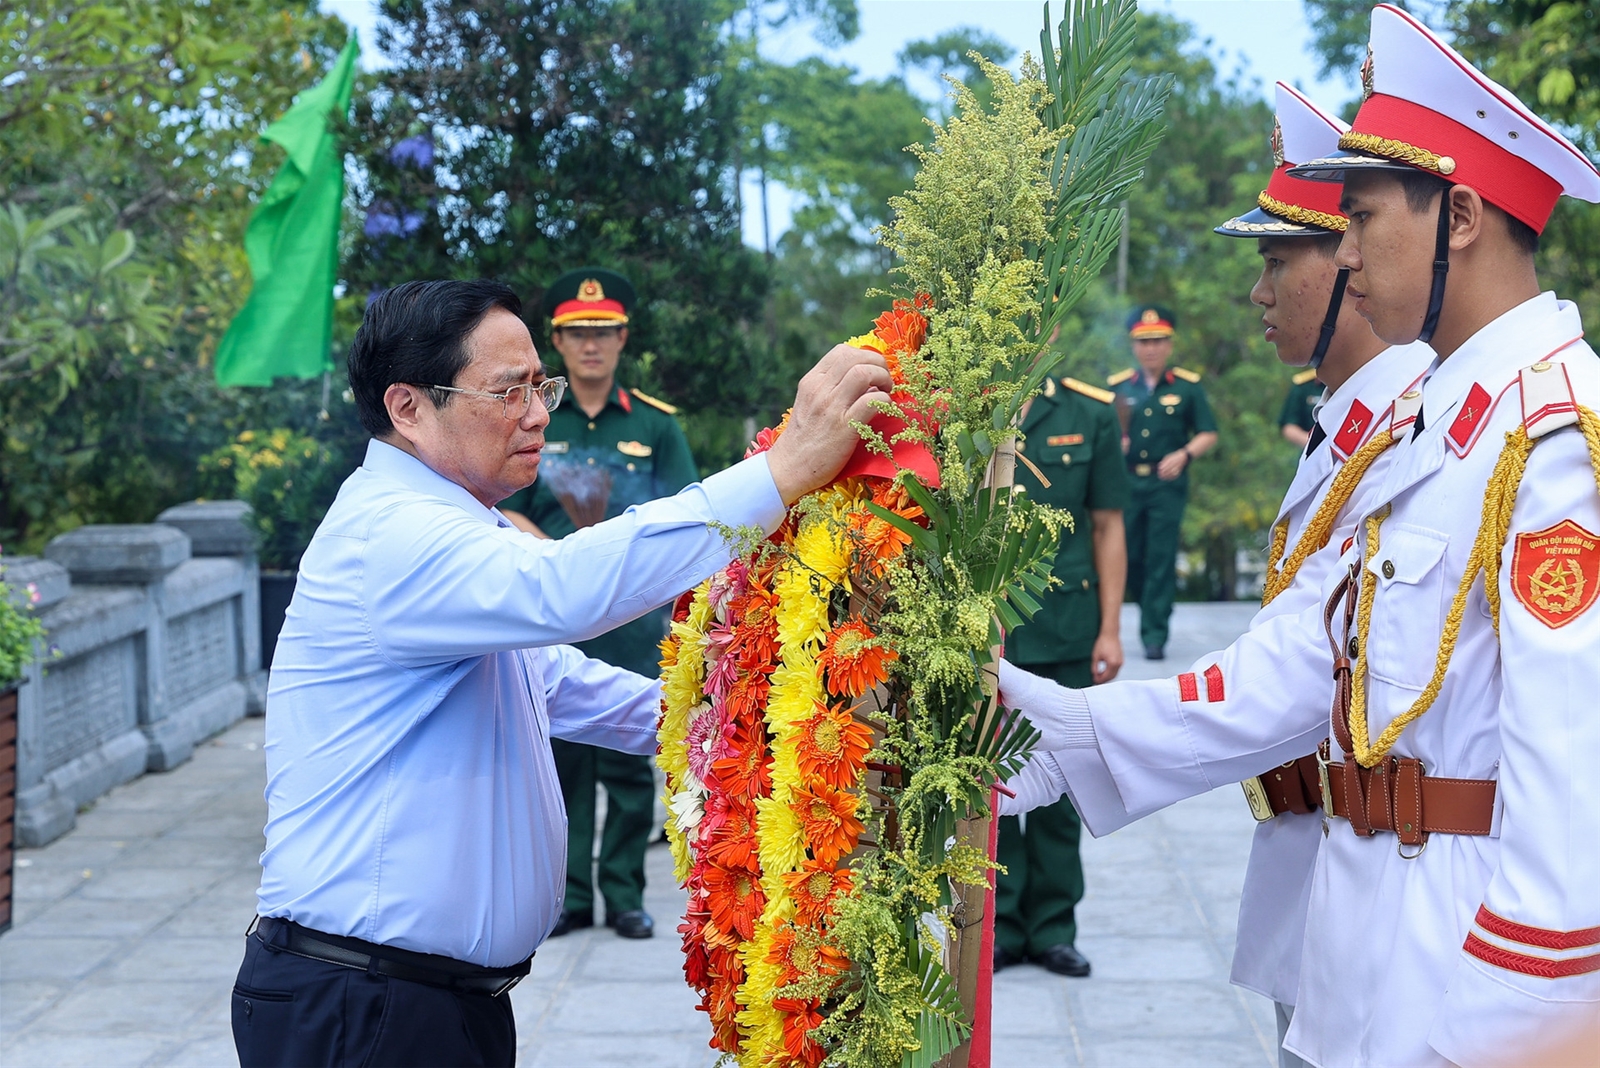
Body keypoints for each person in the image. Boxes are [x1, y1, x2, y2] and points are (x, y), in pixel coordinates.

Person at [1004, 7, 1600, 1065]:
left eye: (1362, 218)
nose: (1346, 251)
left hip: (1469, 979)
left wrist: (1528, 1027)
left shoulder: (1549, 435)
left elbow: (1571, 773)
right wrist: (1053, 726)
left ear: (1457, 217)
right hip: (1362, 947)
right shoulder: (1442, 428)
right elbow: (1305, 667)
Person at [231, 279, 891, 1068]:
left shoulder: (446, 525)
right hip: (363, 1001)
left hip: (424, 1000)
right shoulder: (391, 533)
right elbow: (564, 590)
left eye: (537, 387)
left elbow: (559, 685)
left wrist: (760, 726)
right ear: (407, 408)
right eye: (510, 391)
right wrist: (778, 475)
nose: (540, 412)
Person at [500, 268, 694, 941]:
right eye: (578, 334)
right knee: (561, 766)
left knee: (633, 769)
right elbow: (507, 511)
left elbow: (684, 514)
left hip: (634, 624)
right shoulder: (531, 418)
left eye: (603, 332)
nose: (591, 346)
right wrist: (557, 564)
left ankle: (624, 894)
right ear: (556, 339)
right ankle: (569, 896)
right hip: (553, 619)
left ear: (622, 339)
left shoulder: (655, 426)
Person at [993, 365, 1129, 979]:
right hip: (985, 628)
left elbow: (1107, 524)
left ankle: (1052, 927)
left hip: (1065, 622)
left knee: (1058, 777)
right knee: (984, 777)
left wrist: (1110, 627)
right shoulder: (964, 404)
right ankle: (994, 924)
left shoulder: (1089, 412)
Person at [1108, 306, 1217, 659]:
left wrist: (1184, 454)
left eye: (1157, 341)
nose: (1150, 349)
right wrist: (1115, 443)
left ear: (1169, 344)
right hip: (1126, 483)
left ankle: (1154, 633)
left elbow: (1208, 432)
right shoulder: (1118, 387)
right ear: (1134, 346)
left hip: (1166, 484)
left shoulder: (1187, 387)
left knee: (1160, 556)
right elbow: (1103, 432)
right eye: (1143, 342)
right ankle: (1144, 608)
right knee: (1131, 556)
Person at [1277, 367, 1321, 450]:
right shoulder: (1304, 386)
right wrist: (1314, 445)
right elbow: (1289, 426)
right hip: (1311, 450)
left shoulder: (1348, 384)